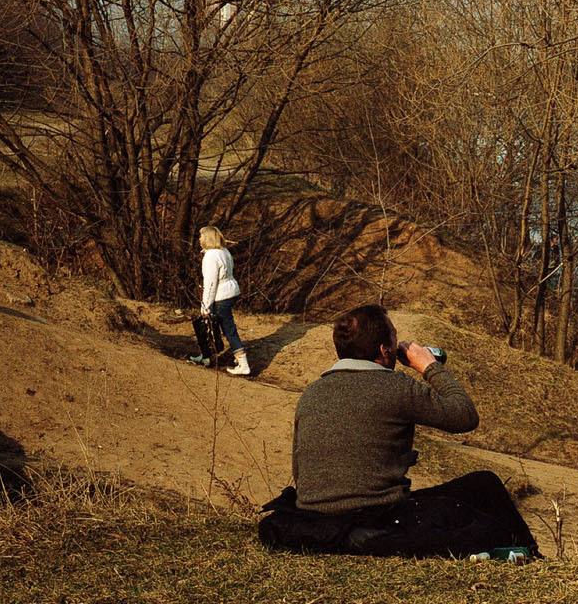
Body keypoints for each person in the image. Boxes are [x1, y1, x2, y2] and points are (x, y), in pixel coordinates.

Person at [257, 302, 537, 559]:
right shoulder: (395, 387)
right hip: (379, 517)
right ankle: (531, 556)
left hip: (313, 517)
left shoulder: (311, 393)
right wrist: (428, 365)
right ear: (384, 350)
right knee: (483, 486)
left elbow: (299, 466)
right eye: (394, 338)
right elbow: (464, 415)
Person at [193, 226, 253, 376]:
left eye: (201, 236)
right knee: (211, 327)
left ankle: (243, 364)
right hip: (229, 292)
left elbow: (211, 283)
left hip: (221, 296)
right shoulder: (224, 251)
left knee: (226, 329)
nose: (199, 239)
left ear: (208, 238)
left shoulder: (211, 256)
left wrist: (205, 307)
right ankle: (206, 356)